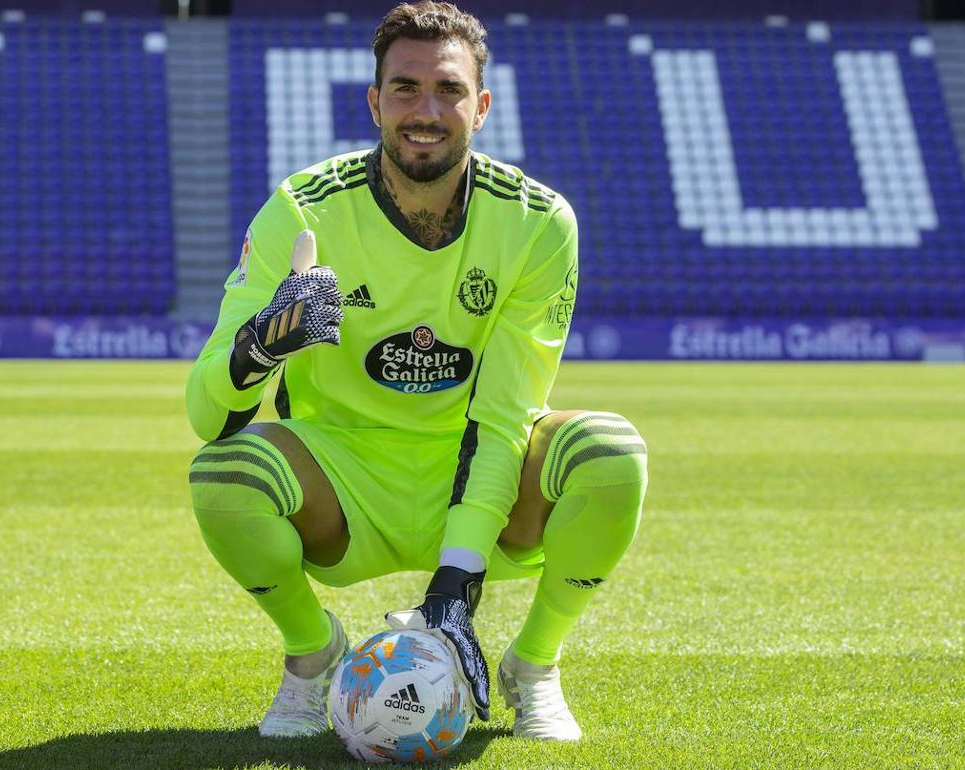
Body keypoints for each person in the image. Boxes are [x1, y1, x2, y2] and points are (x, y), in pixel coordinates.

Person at [186, 1, 647, 742]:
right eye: (404, 88)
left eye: (449, 90)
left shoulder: (538, 222)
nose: (425, 111)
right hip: (343, 482)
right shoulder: (302, 211)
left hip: (477, 484)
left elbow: (503, 415)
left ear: (482, 106)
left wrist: (457, 583)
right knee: (225, 474)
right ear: (374, 101)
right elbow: (208, 418)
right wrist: (260, 347)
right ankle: (313, 656)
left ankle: (534, 665)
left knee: (610, 454)